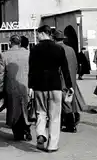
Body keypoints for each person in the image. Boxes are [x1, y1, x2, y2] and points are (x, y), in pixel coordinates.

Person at [28, 25, 73, 153]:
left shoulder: (35, 49)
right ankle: (52, 145)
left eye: (38, 34)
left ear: (43, 33)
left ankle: (41, 134)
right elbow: (65, 69)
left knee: (40, 112)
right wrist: (69, 86)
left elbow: (32, 69)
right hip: (55, 85)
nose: (37, 36)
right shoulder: (59, 49)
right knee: (55, 116)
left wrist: (30, 86)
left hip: (39, 86)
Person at [0, 35, 31, 141]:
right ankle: (27, 128)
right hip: (25, 86)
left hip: (11, 87)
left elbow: (1, 75)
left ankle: (18, 133)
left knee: (13, 109)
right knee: (26, 108)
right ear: (20, 43)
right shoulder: (28, 53)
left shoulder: (4, 55)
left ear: (10, 42)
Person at [53, 30, 86, 133]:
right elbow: (76, 64)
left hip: (62, 78)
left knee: (64, 100)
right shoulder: (71, 49)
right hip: (71, 78)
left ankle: (70, 124)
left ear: (54, 39)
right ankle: (74, 117)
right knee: (71, 98)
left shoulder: (56, 49)